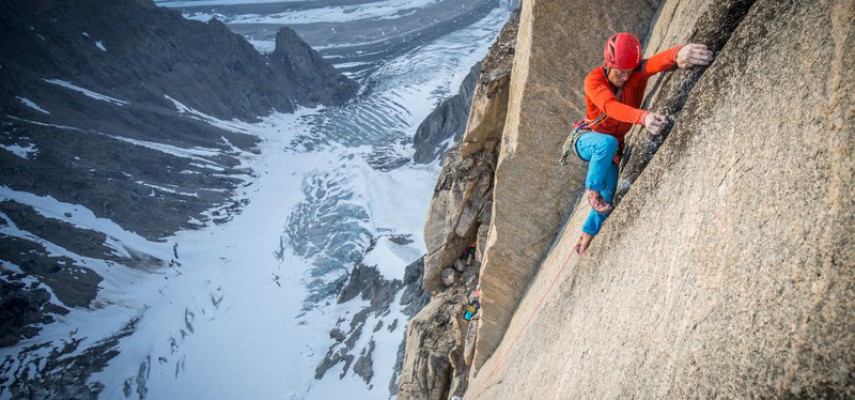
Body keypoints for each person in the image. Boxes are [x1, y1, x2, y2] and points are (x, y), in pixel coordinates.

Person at [571, 33, 714, 255]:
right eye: (619, 71)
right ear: (608, 64)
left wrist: (679, 53)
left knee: (607, 198)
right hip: (587, 140)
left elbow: (656, 62)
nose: (624, 77)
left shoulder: (634, 74)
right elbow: (610, 106)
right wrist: (644, 117)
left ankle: (586, 234)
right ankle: (592, 189)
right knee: (605, 145)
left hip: (612, 148)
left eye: (629, 71)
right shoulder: (594, 80)